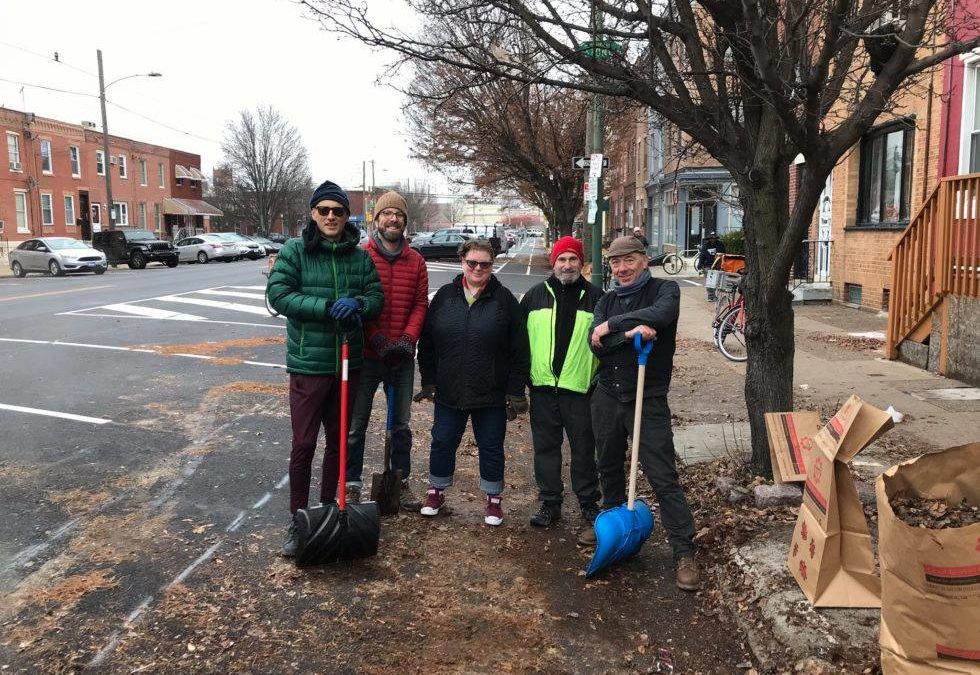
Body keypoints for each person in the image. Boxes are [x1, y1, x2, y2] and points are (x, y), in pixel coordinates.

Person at [267, 180, 384, 557]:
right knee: (303, 444)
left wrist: (360, 306)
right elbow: (279, 295)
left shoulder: (359, 256)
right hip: (308, 364)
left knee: (338, 442)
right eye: (324, 211)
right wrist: (326, 306)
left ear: (347, 216)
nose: (331, 217)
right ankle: (297, 517)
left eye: (338, 211)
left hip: (348, 364)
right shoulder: (295, 251)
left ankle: (325, 508)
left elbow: (375, 297)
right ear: (314, 214)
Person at [588, 235, 700, 591]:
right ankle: (617, 532)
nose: (622, 269)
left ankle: (683, 551)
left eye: (629, 261)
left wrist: (614, 327)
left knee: (662, 474)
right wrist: (627, 331)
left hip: (647, 397)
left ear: (643, 260)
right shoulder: (606, 300)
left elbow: (661, 316)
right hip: (608, 395)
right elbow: (597, 345)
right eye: (615, 263)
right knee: (607, 464)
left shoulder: (666, 290)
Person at [415, 238, 530, 526]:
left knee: (491, 445)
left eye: (485, 264)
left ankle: (493, 500)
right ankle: (436, 491)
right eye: (472, 263)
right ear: (462, 262)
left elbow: (520, 349)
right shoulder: (444, 296)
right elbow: (427, 342)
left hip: (490, 391)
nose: (478, 268)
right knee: (442, 441)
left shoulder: (504, 300)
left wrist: (515, 391)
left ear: (492, 265)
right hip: (449, 389)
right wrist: (429, 380)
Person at [346, 191, 428, 510]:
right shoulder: (362, 257)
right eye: (387, 214)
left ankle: (400, 481)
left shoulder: (417, 261)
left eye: (399, 215)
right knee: (357, 424)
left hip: (403, 359)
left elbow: (420, 303)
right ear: (376, 219)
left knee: (402, 425)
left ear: (405, 222)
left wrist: (408, 340)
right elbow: (359, 302)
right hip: (368, 357)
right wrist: (377, 338)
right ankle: (352, 484)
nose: (393, 219)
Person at [520, 236, 604, 544]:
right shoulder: (533, 297)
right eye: (561, 260)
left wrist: (598, 382)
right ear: (553, 263)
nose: (567, 265)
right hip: (542, 389)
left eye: (572, 259)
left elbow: (607, 346)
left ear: (582, 263)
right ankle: (550, 502)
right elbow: (519, 345)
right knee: (545, 449)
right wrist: (521, 383)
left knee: (583, 450)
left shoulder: (597, 298)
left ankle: (588, 504)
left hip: (580, 391)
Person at [698, 232, 726, 302]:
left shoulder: (720, 245)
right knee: (710, 281)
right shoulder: (705, 246)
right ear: (709, 239)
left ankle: (722, 296)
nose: (712, 240)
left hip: (718, 265)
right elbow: (702, 256)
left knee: (720, 281)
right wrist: (699, 266)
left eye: (714, 238)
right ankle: (711, 296)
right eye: (711, 238)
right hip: (708, 265)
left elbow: (724, 254)